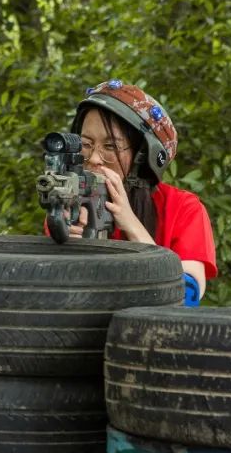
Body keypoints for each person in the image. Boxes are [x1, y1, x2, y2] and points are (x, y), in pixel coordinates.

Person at [63, 79, 217, 304]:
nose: (94, 159)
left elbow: (187, 296)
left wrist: (130, 223)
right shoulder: (73, 205)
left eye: (111, 147)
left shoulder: (183, 209)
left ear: (141, 157)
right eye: (86, 145)